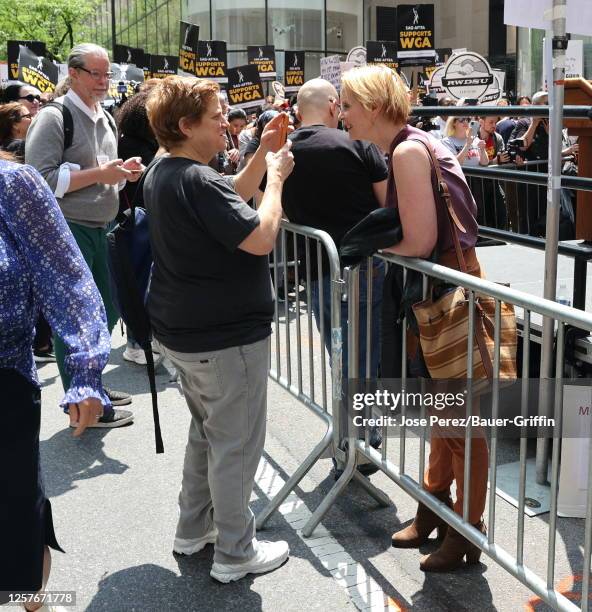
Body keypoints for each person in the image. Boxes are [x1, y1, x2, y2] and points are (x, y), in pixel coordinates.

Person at [144, 76, 294, 583]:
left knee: (208, 436)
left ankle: (194, 530)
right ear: (186, 126)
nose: (225, 126)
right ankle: (235, 552)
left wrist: (262, 153)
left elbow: (227, 198)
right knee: (235, 445)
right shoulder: (194, 178)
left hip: (186, 331)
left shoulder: (167, 170)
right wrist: (275, 180)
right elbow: (258, 237)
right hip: (224, 337)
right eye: (215, 118)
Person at [340, 64, 488, 572]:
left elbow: (421, 241)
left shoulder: (405, 150)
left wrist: (375, 249)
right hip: (439, 294)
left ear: (375, 106)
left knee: (458, 420)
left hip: (442, 297)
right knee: (443, 416)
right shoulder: (412, 144)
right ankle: (434, 511)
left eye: (349, 104)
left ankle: (467, 531)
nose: (343, 113)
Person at [0, 152, 111, 610]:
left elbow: (65, 276)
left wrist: (85, 369)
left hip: (5, 382)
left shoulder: (13, 185)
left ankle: (35, 603)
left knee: (16, 516)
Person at [25, 43, 142, 423]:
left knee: (107, 311)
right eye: (96, 73)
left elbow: (101, 168)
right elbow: (39, 179)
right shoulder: (54, 118)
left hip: (102, 226)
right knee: (77, 320)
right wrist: (101, 175)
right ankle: (83, 404)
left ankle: (91, 386)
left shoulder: (104, 116)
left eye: (107, 74)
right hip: (68, 229)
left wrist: (122, 170)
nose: (104, 81)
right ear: (72, 73)